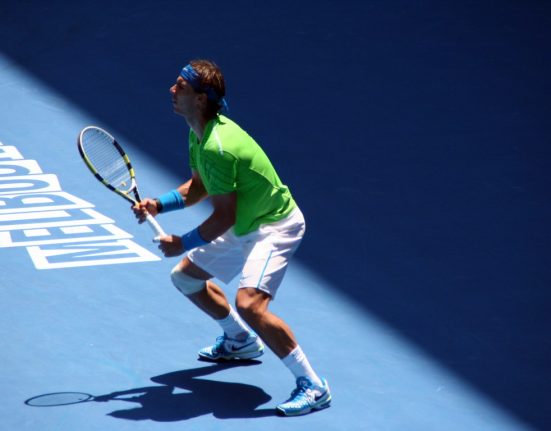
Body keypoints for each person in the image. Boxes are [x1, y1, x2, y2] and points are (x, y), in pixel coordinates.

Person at [132, 59, 331, 416]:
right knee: (185, 278)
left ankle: (313, 385)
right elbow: (199, 187)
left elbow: (223, 215)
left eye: (181, 86)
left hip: (274, 225)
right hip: (243, 222)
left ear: (200, 100)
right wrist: (159, 206)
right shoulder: (199, 133)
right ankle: (239, 341)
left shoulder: (218, 146)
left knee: (251, 304)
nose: (171, 90)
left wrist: (182, 242)